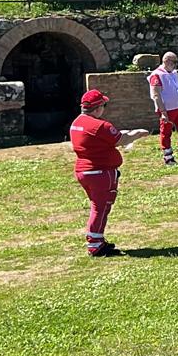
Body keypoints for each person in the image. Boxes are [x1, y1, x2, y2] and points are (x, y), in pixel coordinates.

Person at [68, 89, 152, 257]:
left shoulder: (77, 122)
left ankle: (97, 239)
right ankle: (95, 244)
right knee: (101, 208)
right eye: (103, 105)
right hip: (99, 172)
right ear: (98, 107)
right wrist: (139, 133)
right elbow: (122, 140)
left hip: (84, 171)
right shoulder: (100, 125)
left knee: (98, 206)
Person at [148, 51, 178, 166]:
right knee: (166, 132)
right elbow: (156, 94)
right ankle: (168, 157)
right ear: (166, 61)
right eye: (174, 62)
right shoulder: (156, 75)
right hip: (167, 109)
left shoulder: (173, 72)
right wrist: (163, 112)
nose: (176, 65)